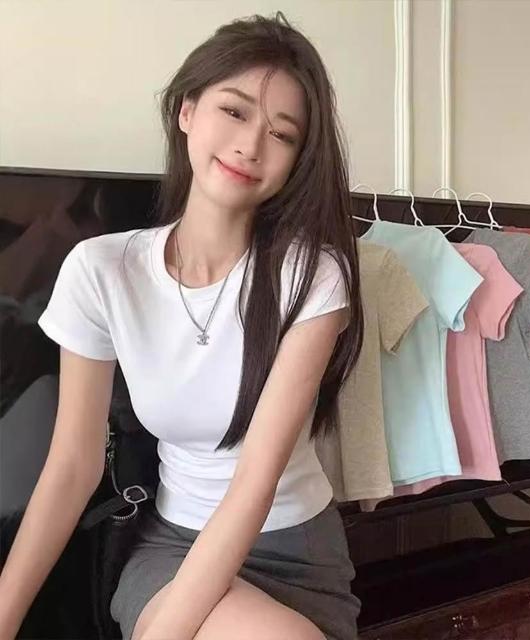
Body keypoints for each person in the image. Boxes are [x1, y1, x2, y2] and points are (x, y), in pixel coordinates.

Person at [0, 11, 364, 640]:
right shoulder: (101, 270)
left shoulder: (312, 275)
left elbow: (255, 482)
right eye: (234, 110)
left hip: (296, 551)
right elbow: (73, 466)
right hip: (174, 546)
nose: (251, 145)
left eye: (281, 133)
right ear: (187, 111)